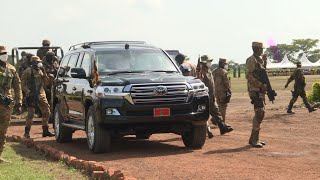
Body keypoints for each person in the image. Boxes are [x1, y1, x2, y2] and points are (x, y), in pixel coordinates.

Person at [200, 55, 233, 138]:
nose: (210, 63)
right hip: (204, 96)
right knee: (204, 114)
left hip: (212, 95)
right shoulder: (201, 72)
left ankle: (222, 127)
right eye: (209, 61)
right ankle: (208, 131)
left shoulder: (210, 71)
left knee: (216, 112)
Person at [21, 56, 54, 138]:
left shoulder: (41, 71)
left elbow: (46, 83)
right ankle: (27, 132)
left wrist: (45, 75)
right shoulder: (27, 72)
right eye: (37, 62)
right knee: (31, 114)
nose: (39, 63)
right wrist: (27, 92)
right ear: (33, 63)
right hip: (32, 95)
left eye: (40, 62)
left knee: (47, 111)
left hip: (41, 94)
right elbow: (22, 84)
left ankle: (45, 130)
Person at [0, 45, 22, 163]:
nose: (4, 56)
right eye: (2, 54)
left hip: (6, 104)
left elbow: (17, 86)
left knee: (3, 130)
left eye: (5, 53)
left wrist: (19, 101)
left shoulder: (12, 69)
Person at [246, 42, 269, 148]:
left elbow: (262, 73)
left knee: (261, 112)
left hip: (260, 90)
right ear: (255, 49)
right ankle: (255, 139)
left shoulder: (259, 60)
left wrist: (265, 61)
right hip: (255, 89)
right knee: (259, 112)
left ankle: (254, 138)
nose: (262, 51)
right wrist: (260, 84)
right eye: (260, 49)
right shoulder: (251, 60)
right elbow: (249, 75)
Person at [212, 58, 231, 123]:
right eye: (226, 64)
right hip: (223, 91)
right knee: (223, 107)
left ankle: (216, 118)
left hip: (216, 91)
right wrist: (229, 89)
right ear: (223, 64)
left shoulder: (214, 71)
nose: (226, 65)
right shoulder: (224, 72)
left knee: (218, 105)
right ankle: (222, 121)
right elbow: (226, 83)